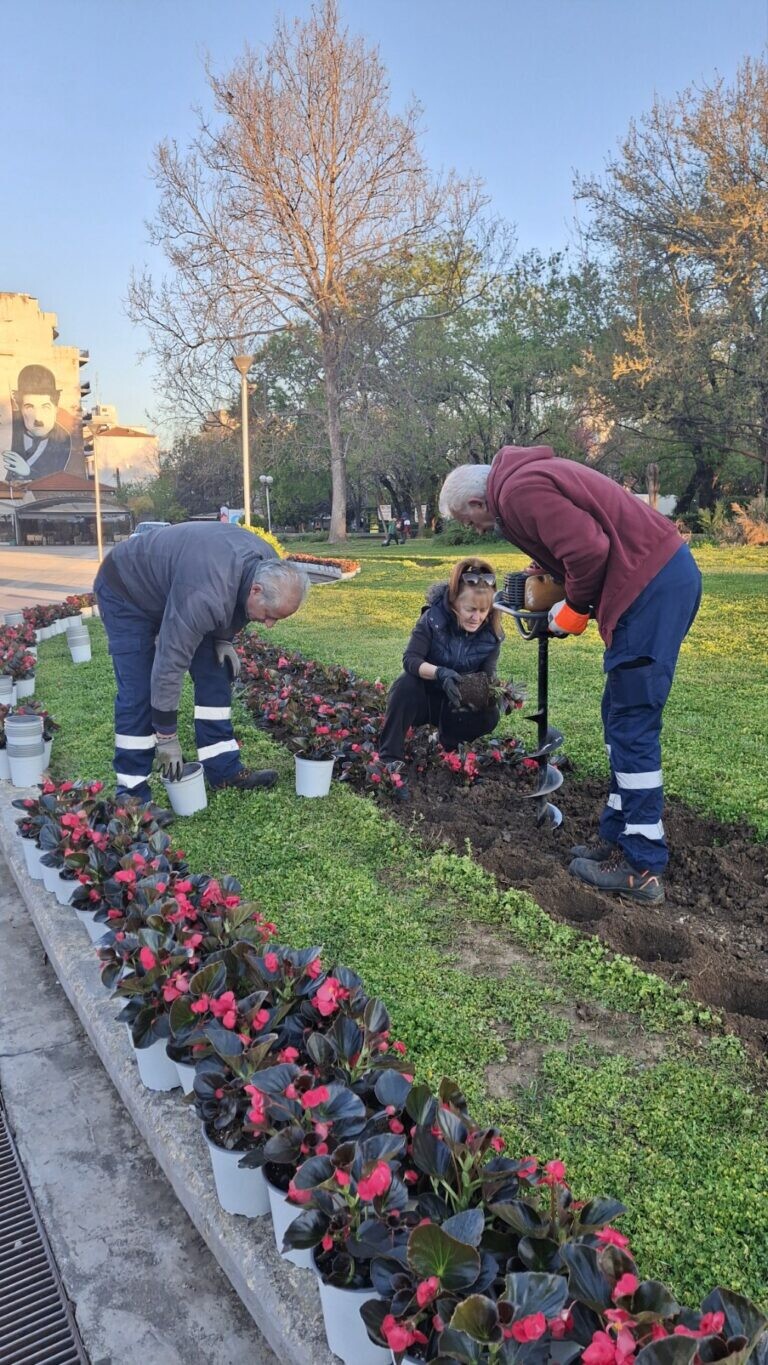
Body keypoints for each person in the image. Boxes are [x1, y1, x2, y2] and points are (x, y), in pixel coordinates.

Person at [438, 447, 702, 904]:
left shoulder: (517, 492)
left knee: (633, 724)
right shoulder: (527, 476)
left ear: (479, 504)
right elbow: (578, 533)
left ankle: (642, 866)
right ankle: (618, 837)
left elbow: (589, 549)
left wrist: (574, 610)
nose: (476, 531)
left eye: (470, 522)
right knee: (618, 718)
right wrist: (545, 569)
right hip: (656, 580)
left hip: (650, 588)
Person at [94, 522, 309, 802]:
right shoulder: (203, 595)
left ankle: (223, 770)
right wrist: (167, 736)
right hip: (126, 589)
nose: (269, 625)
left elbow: (236, 599)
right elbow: (169, 663)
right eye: (270, 615)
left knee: (216, 672)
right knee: (139, 692)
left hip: (180, 584)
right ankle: (132, 794)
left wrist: (223, 637)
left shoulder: (264, 560)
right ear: (256, 591)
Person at [378, 556, 504, 764]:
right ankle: (389, 757)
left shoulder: (492, 635)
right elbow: (410, 659)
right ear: (454, 603)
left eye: (483, 611)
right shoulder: (432, 620)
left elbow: (488, 677)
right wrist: (440, 672)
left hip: (454, 703)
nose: (477, 617)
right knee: (404, 684)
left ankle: (449, 744)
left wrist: (499, 693)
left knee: (488, 712)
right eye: (470, 609)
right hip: (424, 698)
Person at [3, 364, 72, 481]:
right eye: (29, 407)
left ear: (56, 408)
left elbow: (53, 480)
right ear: (20, 408)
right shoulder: (7, 428)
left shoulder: (63, 439)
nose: (38, 418)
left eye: (45, 407)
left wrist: (28, 472)